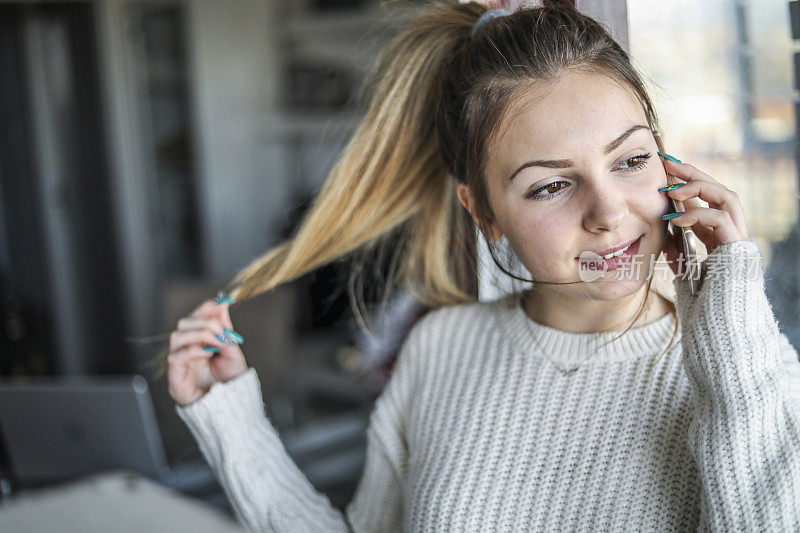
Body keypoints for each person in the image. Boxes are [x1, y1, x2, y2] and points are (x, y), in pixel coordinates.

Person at [162, 1, 800, 530]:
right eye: (551, 186)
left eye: (631, 160)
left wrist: (733, 341)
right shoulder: (440, 347)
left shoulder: (747, 373)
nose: (608, 213)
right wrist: (233, 422)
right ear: (483, 210)